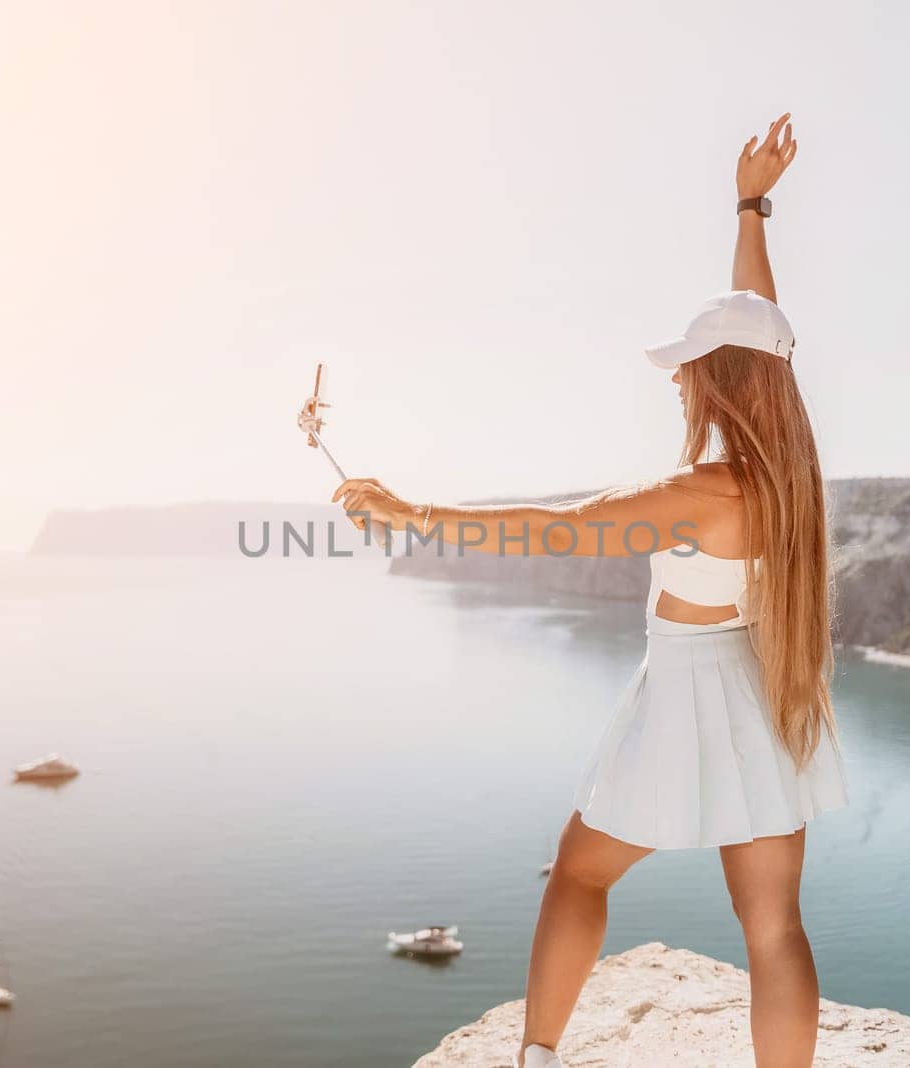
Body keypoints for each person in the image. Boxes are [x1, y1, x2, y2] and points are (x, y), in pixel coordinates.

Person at [333, 112, 848, 1068]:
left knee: (576, 877)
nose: (678, 386)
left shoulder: (699, 494)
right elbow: (761, 321)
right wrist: (750, 207)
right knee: (774, 926)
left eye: (688, 372)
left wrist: (411, 511)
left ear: (715, 383)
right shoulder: (789, 471)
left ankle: (537, 1056)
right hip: (763, 689)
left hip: (690, 692)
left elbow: (549, 527)